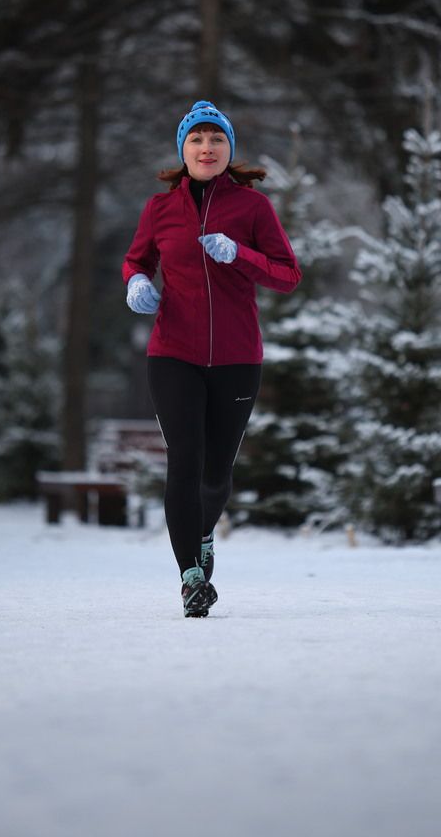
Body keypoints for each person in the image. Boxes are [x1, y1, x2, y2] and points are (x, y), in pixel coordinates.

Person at [122, 100, 302, 617]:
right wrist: (135, 281)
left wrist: (239, 255)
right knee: (185, 460)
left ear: (229, 150)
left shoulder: (253, 209)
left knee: (216, 473)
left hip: (237, 357)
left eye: (216, 139)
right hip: (172, 352)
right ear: (184, 151)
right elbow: (137, 258)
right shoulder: (159, 209)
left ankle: (202, 534)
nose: (207, 148)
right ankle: (191, 577)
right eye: (197, 139)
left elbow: (288, 275)